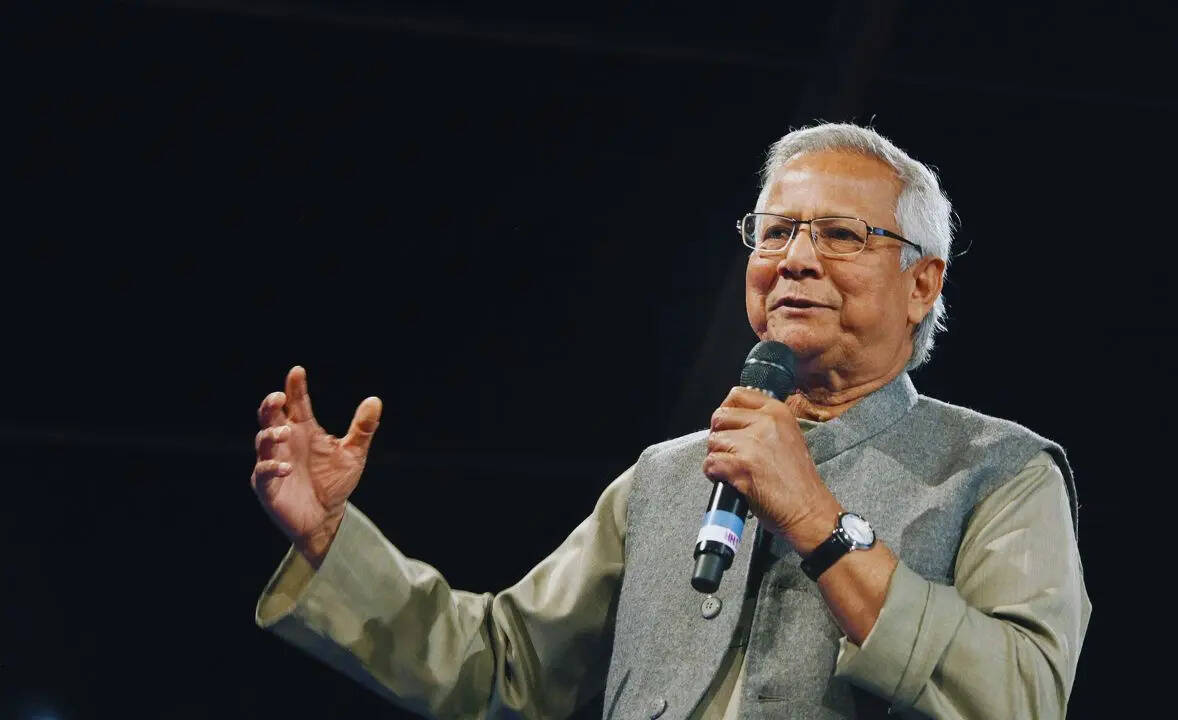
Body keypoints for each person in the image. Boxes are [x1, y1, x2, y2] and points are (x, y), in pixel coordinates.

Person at [251, 123, 1090, 719]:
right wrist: (330, 540)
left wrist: (816, 518)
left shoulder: (999, 471)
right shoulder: (667, 477)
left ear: (921, 284)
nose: (795, 259)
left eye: (840, 235)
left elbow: (1020, 698)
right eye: (776, 232)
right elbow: (503, 667)